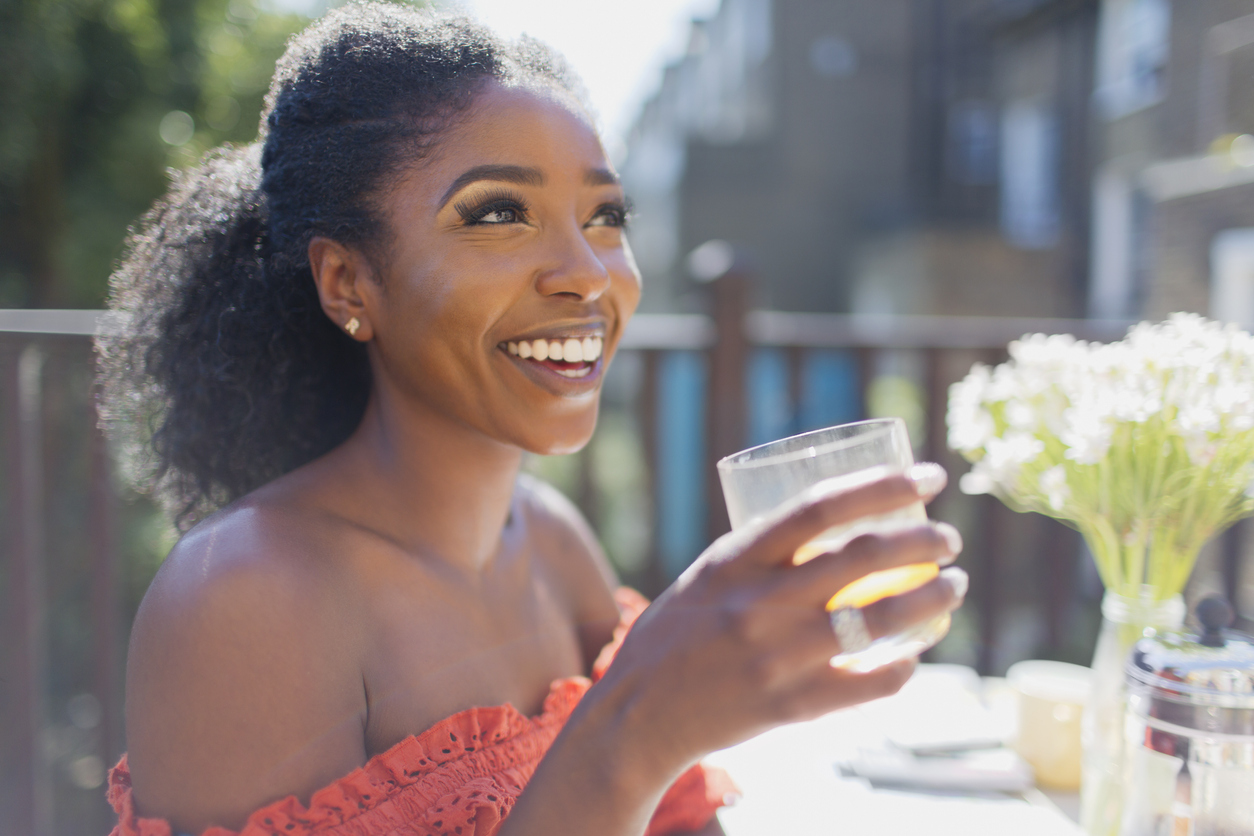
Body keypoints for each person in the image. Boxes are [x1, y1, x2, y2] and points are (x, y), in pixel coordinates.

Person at [97, 4, 968, 835]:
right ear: (349, 284)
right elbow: (631, 764)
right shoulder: (244, 596)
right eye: (500, 214)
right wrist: (635, 729)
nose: (588, 272)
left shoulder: (552, 540)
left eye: (605, 216)